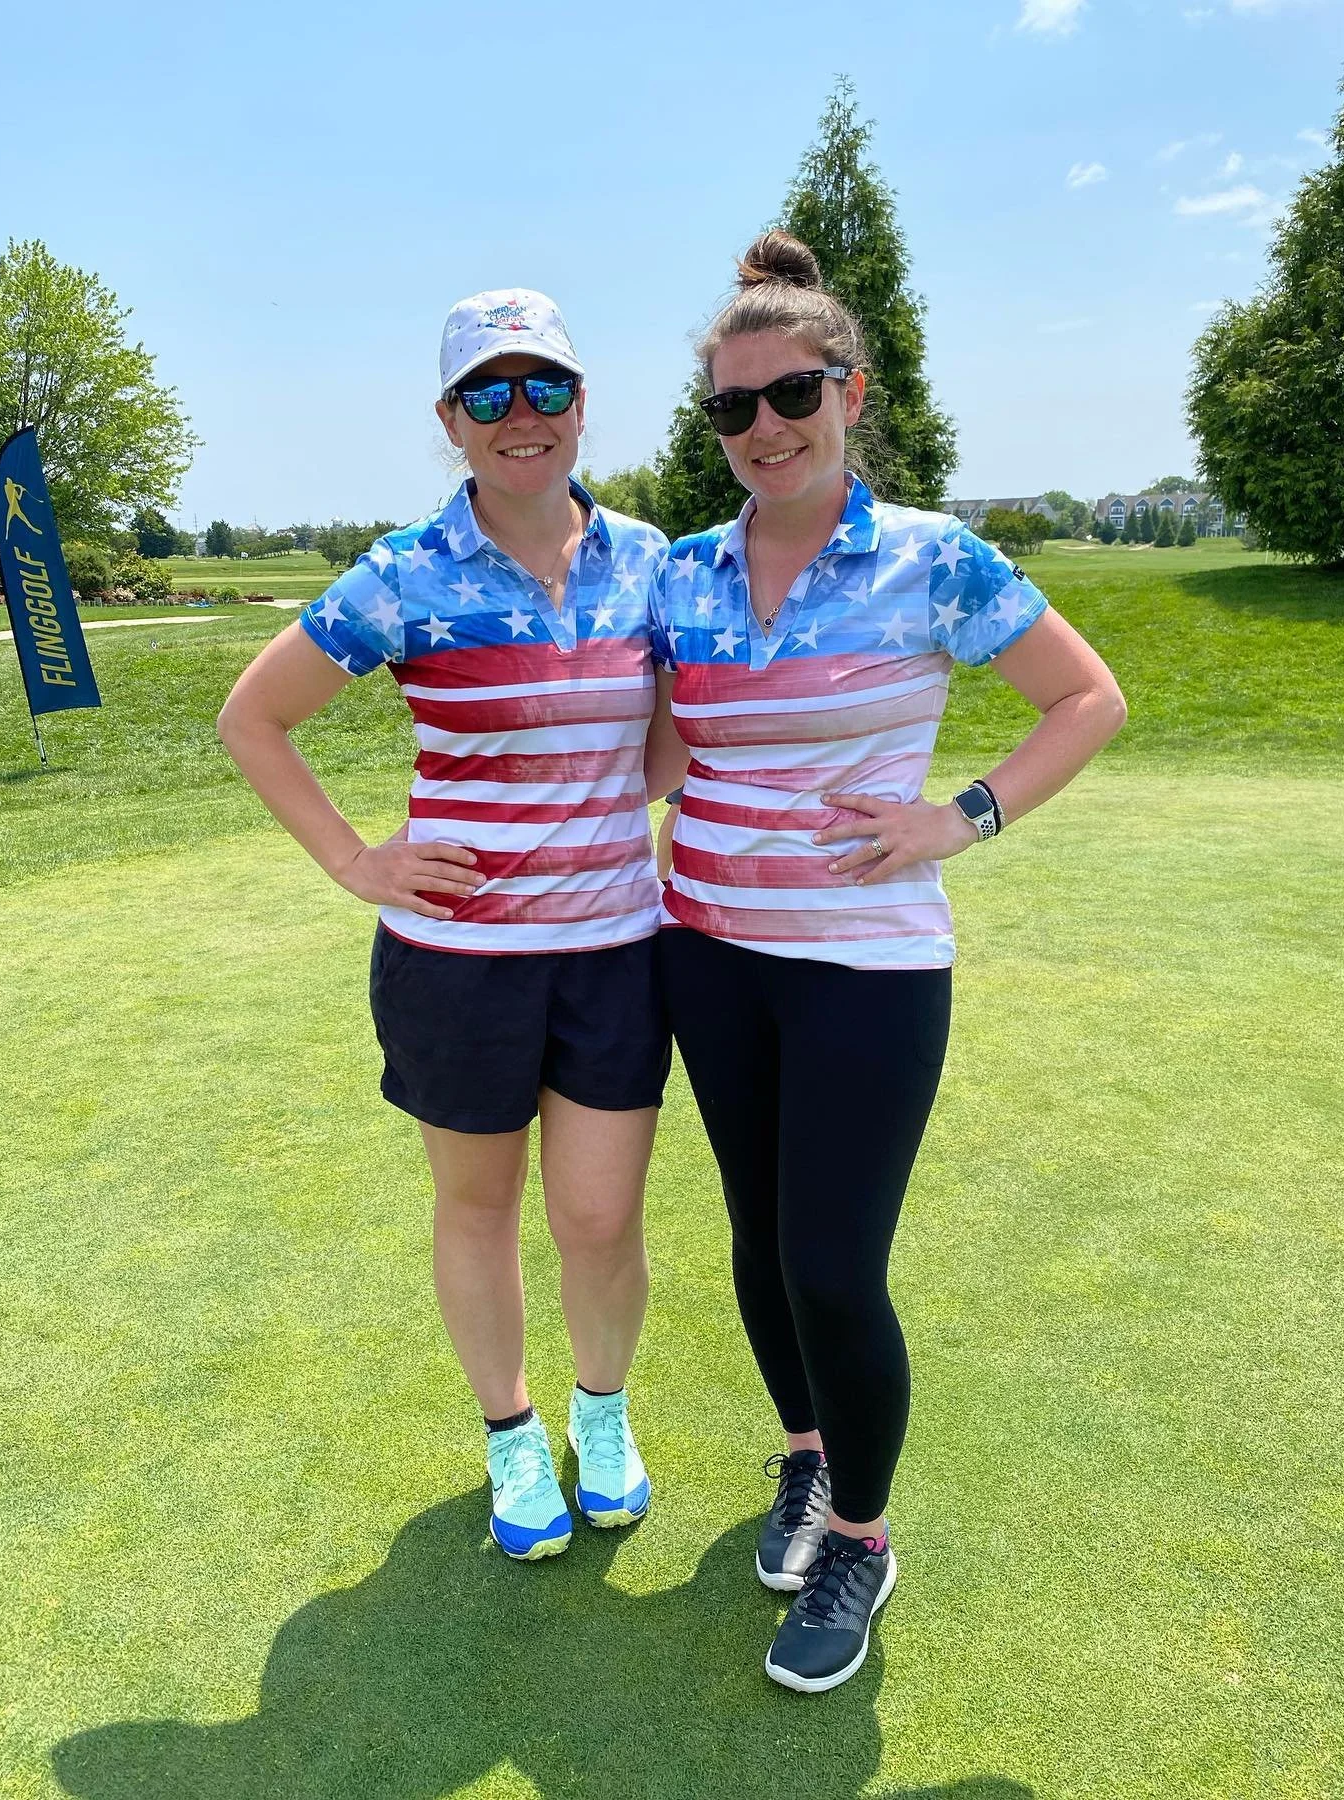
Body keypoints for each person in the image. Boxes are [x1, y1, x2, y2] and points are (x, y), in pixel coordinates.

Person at [645, 232, 1126, 1692]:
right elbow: (663, 749)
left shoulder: (933, 557)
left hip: (867, 967)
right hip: (709, 954)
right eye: (732, 409)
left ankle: (860, 1532)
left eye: (790, 394)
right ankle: (804, 1459)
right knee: (752, 1236)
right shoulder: (682, 571)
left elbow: (1084, 700)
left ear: (851, 390)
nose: (763, 429)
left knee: (832, 1263)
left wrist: (956, 815)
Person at [219, 288, 670, 1563]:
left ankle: (605, 1411)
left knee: (599, 1218)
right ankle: (512, 1432)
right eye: (489, 394)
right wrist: (358, 860)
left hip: (613, 954)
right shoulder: (402, 573)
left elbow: (676, 733)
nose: (519, 416)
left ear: (581, 406)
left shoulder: (655, 561)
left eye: (544, 390)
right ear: (451, 422)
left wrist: (586, 799)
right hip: (457, 962)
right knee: (479, 1207)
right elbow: (254, 720)